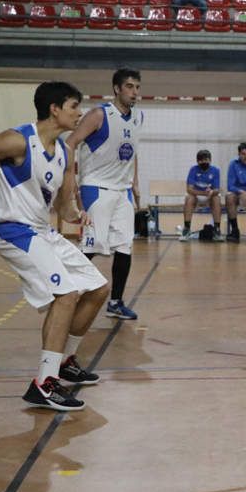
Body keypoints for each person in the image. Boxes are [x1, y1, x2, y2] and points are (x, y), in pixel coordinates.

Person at [0, 81, 109, 411]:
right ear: (55, 109)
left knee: (97, 289)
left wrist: (78, 215)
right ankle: (44, 383)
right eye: (74, 107)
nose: (79, 114)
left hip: (42, 231)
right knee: (65, 294)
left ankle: (64, 362)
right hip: (13, 230)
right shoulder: (17, 140)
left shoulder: (64, 152)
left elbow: (63, 207)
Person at [66, 68, 143, 321]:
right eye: (130, 87)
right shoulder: (100, 114)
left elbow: (133, 151)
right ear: (117, 89)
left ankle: (116, 302)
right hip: (96, 188)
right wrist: (70, 180)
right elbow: (71, 142)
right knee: (92, 244)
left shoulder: (138, 117)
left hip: (122, 192)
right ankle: (67, 293)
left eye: (137, 87)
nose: (134, 92)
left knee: (124, 246)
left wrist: (135, 183)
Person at [181, 149, 223, 242]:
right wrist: (203, 193)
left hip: (210, 195)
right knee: (189, 198)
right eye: (201, 160)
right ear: (197, 161)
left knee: (216, 199)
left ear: (210, 160)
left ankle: (217, 229)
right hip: (197, 195)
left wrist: (212, 192)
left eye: (206, 160)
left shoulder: (215, 170)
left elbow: (217, 189)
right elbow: (189, 189)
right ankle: (187, 229)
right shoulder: (193, 170)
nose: (204, 162)